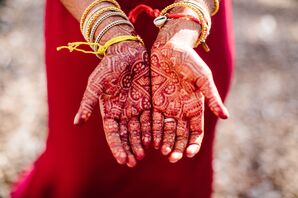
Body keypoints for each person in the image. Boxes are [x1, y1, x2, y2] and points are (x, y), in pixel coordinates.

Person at [11, 0, 234, 197]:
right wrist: (103, 24)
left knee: (181, 171)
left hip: (193, 31)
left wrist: (190, 15)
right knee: (84, 167)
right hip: (85, 12)